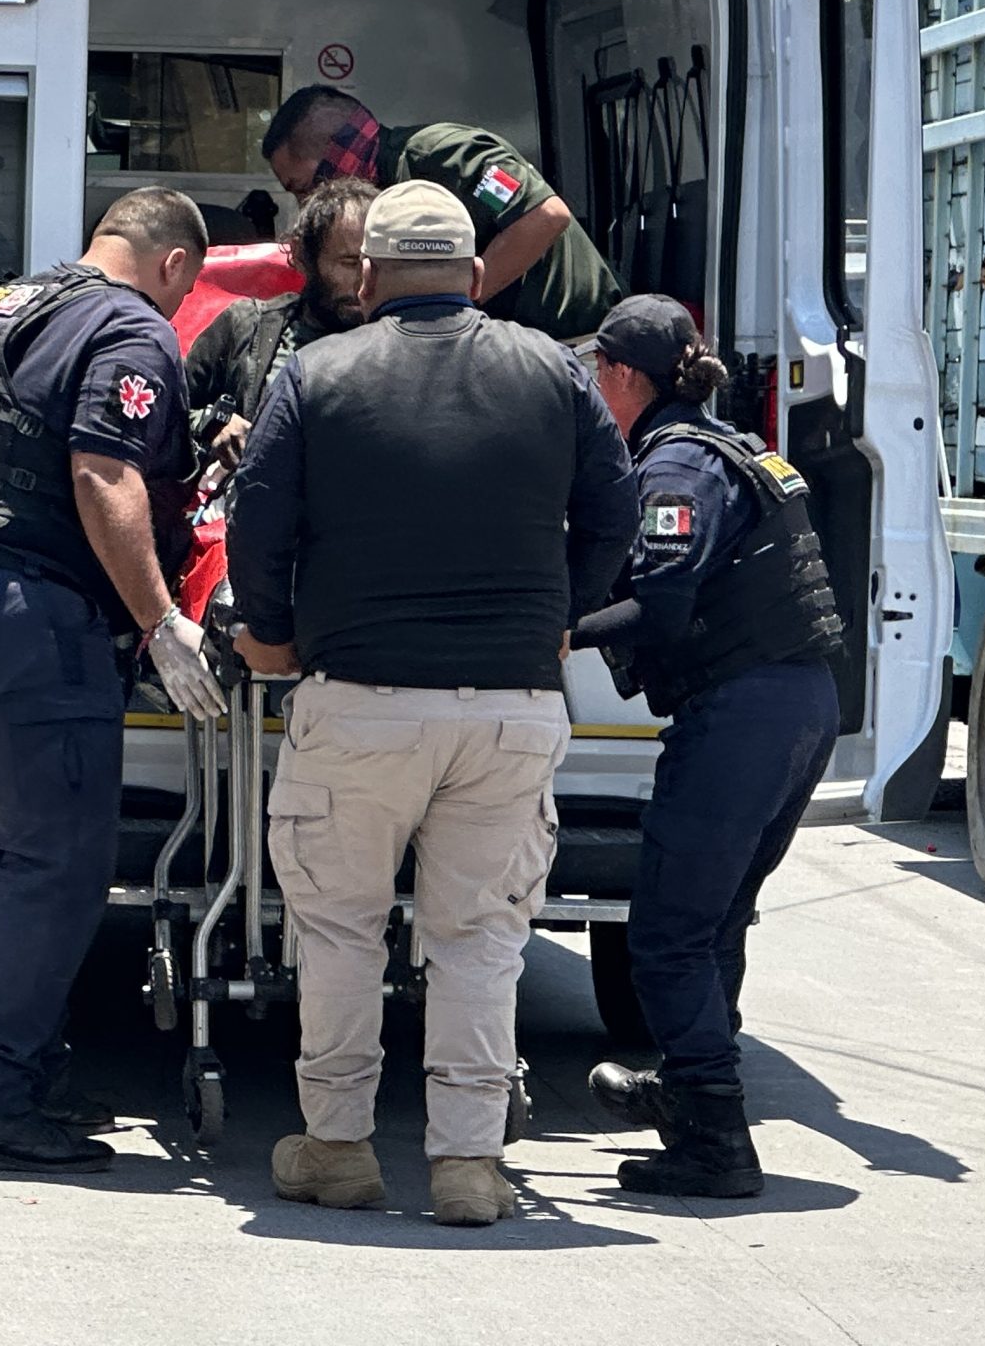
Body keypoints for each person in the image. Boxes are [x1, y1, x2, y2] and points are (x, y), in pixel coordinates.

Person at [225, 180, 638, 1227]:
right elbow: (616, 508)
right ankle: (466, 1165)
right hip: (510, 707)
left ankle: (338, 1147)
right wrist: (565, 612)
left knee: (339, 933)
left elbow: (258, 523)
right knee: (480, 940)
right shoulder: (552, 370)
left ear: (365, 277)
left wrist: (270, 630)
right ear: (472, 274)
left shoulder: (317, 372)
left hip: (356, 701)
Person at [0, 187, 229, 1175]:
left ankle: (20, 1076)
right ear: (171, 266)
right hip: (18, 617)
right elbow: (102, 473)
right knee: (57, 867)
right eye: (185, 290)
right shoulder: (129, 326)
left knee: (10, 860)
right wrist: (162, 624)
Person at [566, 296, 845, 1198]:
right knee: (714, 920)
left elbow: (663, 605)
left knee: (668, 933)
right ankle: (692, 1094)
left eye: (591, 376)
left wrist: (554, 632)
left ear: (622, 376)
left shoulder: (678, 463)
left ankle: (716, 1140)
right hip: (798, 704)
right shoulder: (726, 443)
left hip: (744, 711)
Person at [258, 88, 621, 341]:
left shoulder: (444, 157)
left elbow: (544, 216)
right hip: (511, 345)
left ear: (334, 157)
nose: (308, 204)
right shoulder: (380, 194)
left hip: (575, 340)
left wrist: (453, 306)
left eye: (302, 187)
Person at [184, 178, 375, 471]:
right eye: (349, 263)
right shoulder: (246, 326)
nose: (363, 281)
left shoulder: (405, 344)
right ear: (301, 256)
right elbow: (165, 414)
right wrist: (213, 423)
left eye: (373, 264)